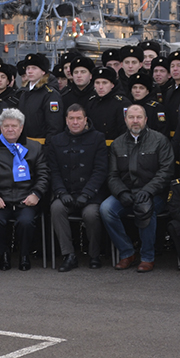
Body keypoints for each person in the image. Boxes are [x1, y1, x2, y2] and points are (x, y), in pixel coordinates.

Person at [101, 104, 173, 272]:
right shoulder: (117, 143)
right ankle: (127, 253)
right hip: (127, 192)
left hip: (153, 193)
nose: (135, 121)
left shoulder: (159, 140)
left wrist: (148, 191)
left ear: (146, 119)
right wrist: (121, 192)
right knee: (106, 209)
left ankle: (147, 257)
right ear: (125, 120)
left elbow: (166, 171)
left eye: (139, 117)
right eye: (131, 117)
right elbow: (112, 175)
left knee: (145, 208)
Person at [0, 107, 49, 271]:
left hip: (26, 198)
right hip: (0, 199)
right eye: (6, 126)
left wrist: (36, 194)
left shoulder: (35, 148)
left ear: (21, 127)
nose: (10, 129)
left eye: (14, 126)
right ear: (1, 128)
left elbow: (44, 175)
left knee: (26, 222)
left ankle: (24, 255)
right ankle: (4, 254)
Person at [46, 104, 109, 271]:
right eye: (71, 119)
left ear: (85, 120)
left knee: (91, 214)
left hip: (91, 194)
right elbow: (54, 171)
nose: (75, 122)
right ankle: (69, 255)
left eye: (79, 118)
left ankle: (94, 254)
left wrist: (87, 193)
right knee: (56, 208)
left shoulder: (98, 138)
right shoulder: (56, 140)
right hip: (66, 192)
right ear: (66, 121)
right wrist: (60, 192)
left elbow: (100, 170)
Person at [15, 53, 64, 140]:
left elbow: (54, 126)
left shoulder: (50, 94)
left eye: (34, 68)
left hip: (41, 145)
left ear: (43, 71)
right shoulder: (24, 93)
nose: (29, 71)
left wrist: (48, 147)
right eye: (28, 68)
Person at [86, 66, 128, 141]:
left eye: (105, 83)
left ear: (112, 85)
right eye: (97, 83)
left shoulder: (122, 103)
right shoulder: (91, 102)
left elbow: (125, 129)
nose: (100, 87)